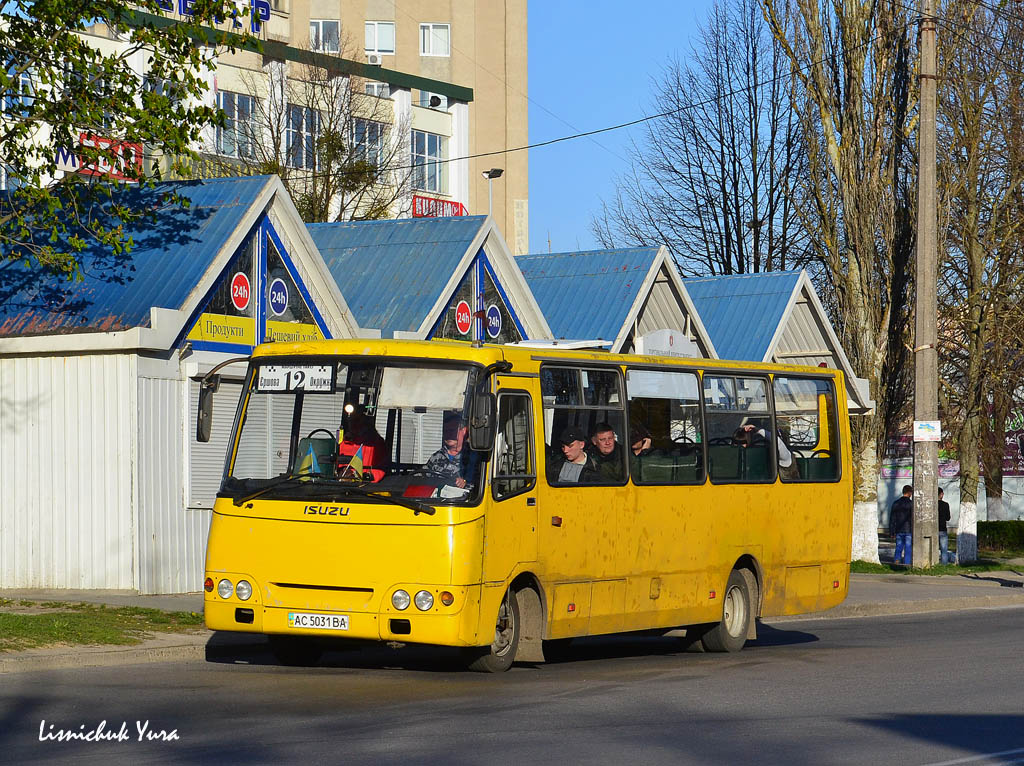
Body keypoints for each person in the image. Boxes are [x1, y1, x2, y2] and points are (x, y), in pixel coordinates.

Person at [339, 404, 389, 481]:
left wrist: (365, 476)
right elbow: (336, 466)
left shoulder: (376, 444)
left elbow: (381, 469)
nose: (353, 425)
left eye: (357, 421)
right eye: (351, 421)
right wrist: (342, 472)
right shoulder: (344, 443)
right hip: (343, 485)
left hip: (368, 487)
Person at [733, 423, 798, 479]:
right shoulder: (738, 459)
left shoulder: (783, 456)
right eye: (738, 444)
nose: (742, 447)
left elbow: (777, 443)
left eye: (743, 443)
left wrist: (757, 430)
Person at [425, 415, 472, 489]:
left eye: (452, 431)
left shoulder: (473, 457)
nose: (449, 435)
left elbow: (480, 485)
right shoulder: (436, 457)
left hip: (462, 499)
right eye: (446, 431)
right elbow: (422, 477)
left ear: (463, 431)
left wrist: (464, 482)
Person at [890, 484, 914, 565]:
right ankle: (907, 563)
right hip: (909, 529)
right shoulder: (912, 504)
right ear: (910, 493)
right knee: (908, 547)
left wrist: (892, 531)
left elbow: (892, 518)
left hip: (898, 529)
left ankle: (897, 560)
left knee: (899, 546)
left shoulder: (896, 503)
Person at [939, 488, 952, 565]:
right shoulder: (945, 505)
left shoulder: (932, 504)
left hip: (933, 530)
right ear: (941, 494)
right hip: (942, 529)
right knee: (944, 549)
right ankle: (944, 564)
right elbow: (948, 518)